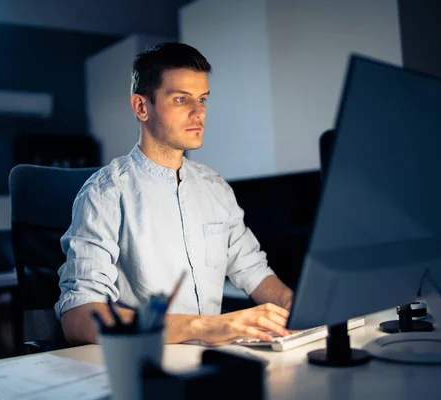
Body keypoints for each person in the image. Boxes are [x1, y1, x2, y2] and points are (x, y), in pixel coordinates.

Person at [55, 42, 294, 345]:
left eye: (203, 99)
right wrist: (205, 327)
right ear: (142, 107)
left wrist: (293, 306)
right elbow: (79, 318)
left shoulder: (215, 187)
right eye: (182, 99)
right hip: (145, 365)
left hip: (212, 362)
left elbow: (253, 270)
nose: (199, 113)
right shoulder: (105, 193)